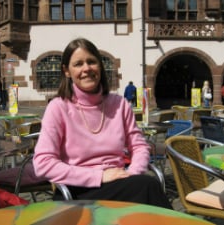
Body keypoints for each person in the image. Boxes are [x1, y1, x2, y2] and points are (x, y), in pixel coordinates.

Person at [33, 38, 172, 209]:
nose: (86, 69)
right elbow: (43, 163)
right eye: (78, 64)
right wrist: (98, 176)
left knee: (145, 185)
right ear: (66, 71)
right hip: (78, 188)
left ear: (100, 66)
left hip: (120, 183)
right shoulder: (58, 107)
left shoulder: (119, 104)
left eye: (92, 62)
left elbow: (140, 147)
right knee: (149, 186)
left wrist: (132, 173)